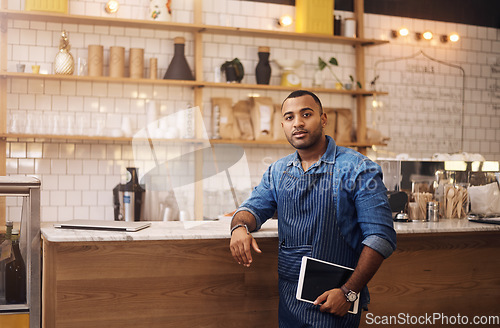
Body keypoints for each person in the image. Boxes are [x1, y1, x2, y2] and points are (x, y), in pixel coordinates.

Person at [229, 90, 397, 327]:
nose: (297, 122)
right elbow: (252, 210)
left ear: (323, 119)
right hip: (288, 302)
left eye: (306, 114)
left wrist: (349, 292)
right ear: (283, 125)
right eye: (289, 117)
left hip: (335, 301)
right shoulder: (278, 171)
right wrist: (239, 227)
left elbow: (381, 238)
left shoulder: (358, 169)